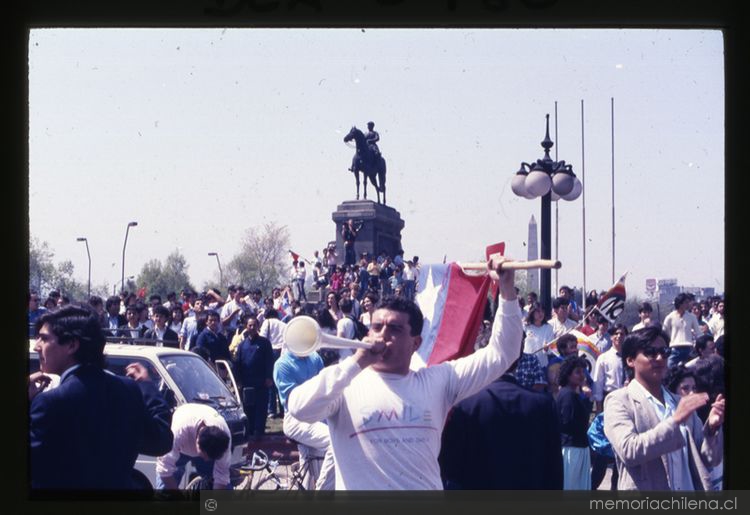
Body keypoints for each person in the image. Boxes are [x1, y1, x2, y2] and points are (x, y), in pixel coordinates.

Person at [287, 255, 523, 490]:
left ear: (416, 343)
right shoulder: (345, 382)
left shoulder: (438, 381)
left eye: (395, 329)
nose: (382, 335)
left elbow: (503, 353)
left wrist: (506, 288)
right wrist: (354, 364)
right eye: (377, 327)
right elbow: (299, 408)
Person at [29, 305, 173, 489]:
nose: (37, 346)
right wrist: (147, 387)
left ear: (72, 345)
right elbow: (160, 441)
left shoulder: (51, 402)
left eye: (44, 338)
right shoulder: (128, 390)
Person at [603, 326, 724, 490]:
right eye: (651, 352)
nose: (660, 358)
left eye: (664, 352)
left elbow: (710, 460)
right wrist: (674, 421)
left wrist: (711, 429)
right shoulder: (619, 401)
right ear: (630, 360)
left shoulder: (678, 402)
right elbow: (629, 451)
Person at [439, 343, 562, 490]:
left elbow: (451, 468)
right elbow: (554, 468)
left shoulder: (465, 405)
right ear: (517, 359)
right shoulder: (544, 404)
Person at [273, 337, 335, 490]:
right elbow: (293, 403)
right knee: (334, 443)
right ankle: (322, 492)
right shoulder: (282, 364)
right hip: (296, 420)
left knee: (311, 468)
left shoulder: (315, 358)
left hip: (317, 417)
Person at [155, 403, 232, 490]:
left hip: (199, 438)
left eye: (210, 458)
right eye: (205, 456)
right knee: (164, 491)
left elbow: (222, 476)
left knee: (224, 490)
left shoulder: (223, 437)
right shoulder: (178, 433)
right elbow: (164, 470)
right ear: (197, 441)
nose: (206, 460)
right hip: (180, 449)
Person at [590, 324, 628, 490]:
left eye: (622, 334)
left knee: (621, 452)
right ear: (611, 337)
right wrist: (600, 410)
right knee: (603, 453)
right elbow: (598, 385)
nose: (619, 337)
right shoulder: (604, 358)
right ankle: (591, 488)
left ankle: (615, 490)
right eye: (616, 334)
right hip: (609, 400)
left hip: (626, 402)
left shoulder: (629, 358)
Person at [232, 316, 274, 441]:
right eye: (249, 325)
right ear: (246, 327)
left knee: (260, 407)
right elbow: (237, 363)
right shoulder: (242, 344)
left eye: (254, 325)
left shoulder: (264, 343)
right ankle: (249, 431)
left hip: (261, 382)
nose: (252, 327)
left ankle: (259, 431)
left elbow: (269, 361)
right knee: (248, 407)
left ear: (258, 326)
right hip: (247, 382)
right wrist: (238, 380)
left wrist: (268, 377)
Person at [556, 356, 594, 490]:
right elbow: (568, 422)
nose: (582, 375)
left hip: (577, 447)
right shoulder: (568, 395)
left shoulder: (572, 394)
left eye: (583, 372)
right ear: (568, 374)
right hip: (572, 449)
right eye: (578, 372)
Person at [662, 293, 701, 368]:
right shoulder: (670, 317)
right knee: (669, 369)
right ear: (680, 303)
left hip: (688, 349)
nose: (688, 304)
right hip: (674, 349)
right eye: (686, 302)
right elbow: (664, 333)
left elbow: (698, 333)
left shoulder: (692, 317)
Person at [523, 301, 554, 368]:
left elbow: (551, 350)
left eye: (542, 311)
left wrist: (546, 349)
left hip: (542, 365)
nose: (541, 314)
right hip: (527, 363)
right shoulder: (525, 326)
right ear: (532, 312)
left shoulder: (549, 328)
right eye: (538, 311)